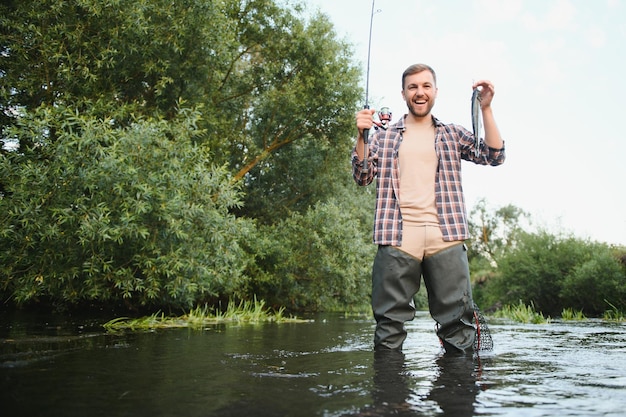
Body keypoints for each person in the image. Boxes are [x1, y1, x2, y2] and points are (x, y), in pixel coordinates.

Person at [351, 63, 505, 354]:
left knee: (459, 330)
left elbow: (494, 155)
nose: (419, 92)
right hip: (397, 239)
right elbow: (362, 176)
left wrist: (486, 108)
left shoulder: (452, 134)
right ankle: (389, 398)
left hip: (444, 238)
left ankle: (457, 396)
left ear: (435, 91)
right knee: (388, 329)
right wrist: (361, 135)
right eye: (413, 87)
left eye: (425, 86)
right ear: (403, 93)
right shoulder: (382, 136)